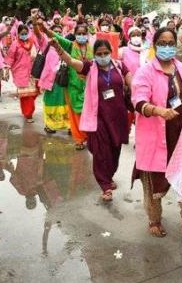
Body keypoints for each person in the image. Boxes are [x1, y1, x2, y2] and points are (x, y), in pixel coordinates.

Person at [50, 38, 132, 202]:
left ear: (111, 52)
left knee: (115, 152)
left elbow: (133, 84)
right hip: (98, 118)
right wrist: (58, 47)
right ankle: (105, 186)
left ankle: (109, 176)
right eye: (99, 53)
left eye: (106, 53)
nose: (103, 56)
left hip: (118, 117)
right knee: (102, 151)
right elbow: (70, 61)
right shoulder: (90, 67)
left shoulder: (120, 66)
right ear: (94, 55)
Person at [131, 27, 182, 237]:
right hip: (156, 135)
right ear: (155, 45)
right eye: (163, 43)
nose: (167, 47)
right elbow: (138, 101)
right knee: (153, 184)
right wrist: (158, 110)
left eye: (171, 43)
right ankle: (154, 219)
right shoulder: (146, 71)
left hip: (181, 135)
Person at [39, 20, 91, 150]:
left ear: (87, 34)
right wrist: (44, 29)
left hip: (89, 86)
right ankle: (79, 139)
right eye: (78, 33)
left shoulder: (92, 48)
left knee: (87, 112)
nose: (81, 35)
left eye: (84, 33)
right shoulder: (69, 45)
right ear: (74, 34)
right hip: (72, 86)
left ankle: (88, 136)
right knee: (74, 113)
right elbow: (56, 37)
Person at [36, 24, 70, 134]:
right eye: (55, 31)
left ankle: (70, 125)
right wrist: (34, 21)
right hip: (50, 81)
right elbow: (37, 33)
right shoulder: (45, 44)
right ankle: (50, 125)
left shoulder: (66, 45)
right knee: (51, 102)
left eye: (60, 31)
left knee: (66, 102)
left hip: (64, 80)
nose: (58, 33)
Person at [4, 24, 40, 122]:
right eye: (22, 34)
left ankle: (27, 110)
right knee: (26, 95)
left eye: (26, 33)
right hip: (20, 72)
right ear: (18, 34)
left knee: (34, 93)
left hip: (33, 71)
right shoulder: (15, 44)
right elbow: (10, 57)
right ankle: (28, 114)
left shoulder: (33, 42)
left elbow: (39, 53)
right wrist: (7, 70)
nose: (24, 35)